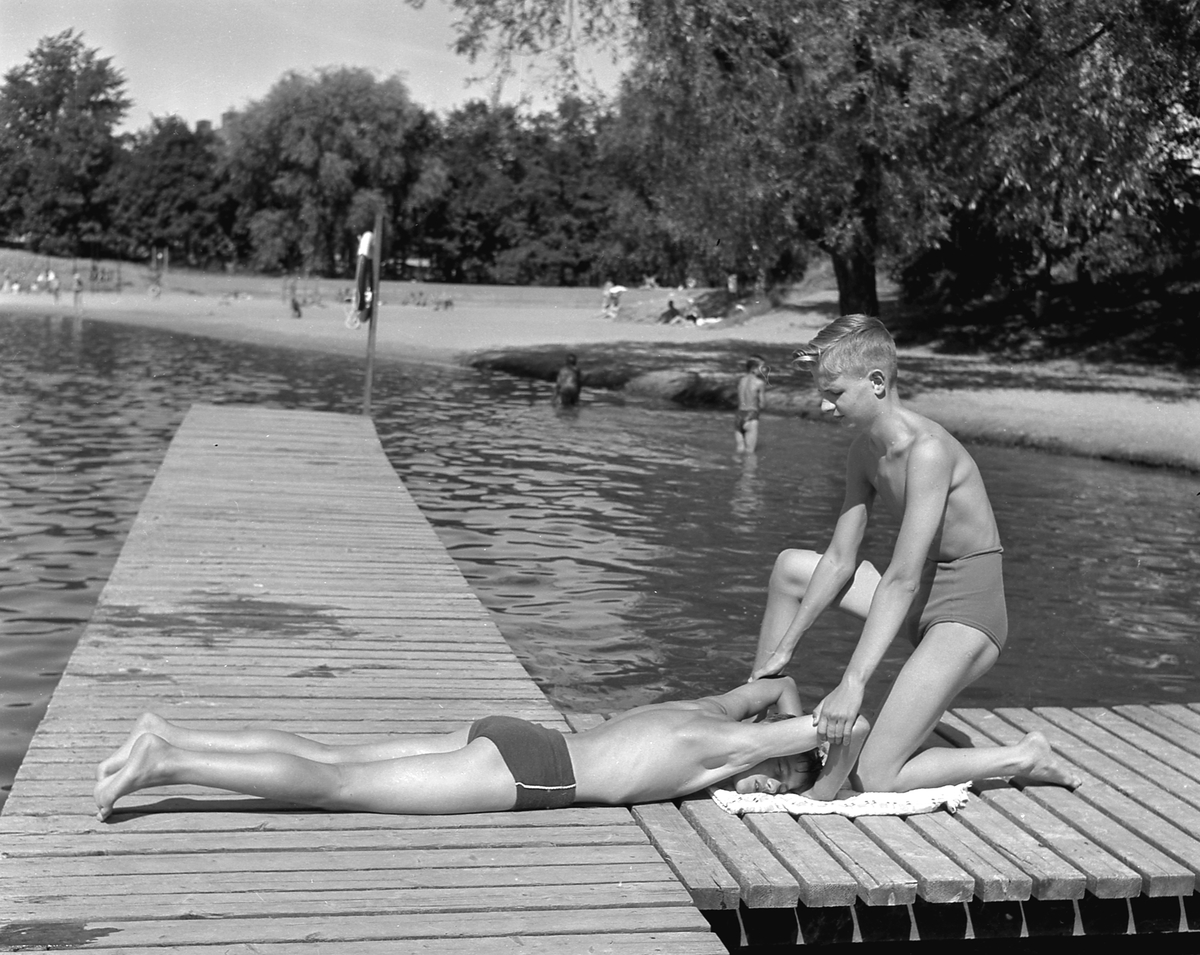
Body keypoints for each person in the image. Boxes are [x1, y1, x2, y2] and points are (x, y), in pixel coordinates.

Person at [751, 314, 1078, 795]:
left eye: (835, 392)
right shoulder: (863, 453)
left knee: (876, 776)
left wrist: (852, 684)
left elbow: (900, 579)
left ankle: (1025, 755)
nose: (824, 406)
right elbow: (840, 559)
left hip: (967, 614)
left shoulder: (927, 451)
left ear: (877, 382)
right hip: (922, 594)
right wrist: (786, 647)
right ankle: (769, 730)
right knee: (789, 568)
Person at [93, 677, 871, 821]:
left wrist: (793, 725)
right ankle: (167, 765)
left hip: (516, 736)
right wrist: (821, 779)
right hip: (533, 774)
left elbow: (780, 681)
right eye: (773, 784)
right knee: (332, 786)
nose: (762, 796)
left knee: (339, 758)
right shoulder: (730, 747)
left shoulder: (706, 710)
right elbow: (847, 725)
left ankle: (169, 733)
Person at [735, 357, 769, 454]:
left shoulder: (741, 380)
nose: (764, 369)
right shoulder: (759, 383)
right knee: (750, 453)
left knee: (739, 450)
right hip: (751, 415)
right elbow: (762, 404)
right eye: (762, 367)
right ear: (754, 368)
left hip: (739, 415)